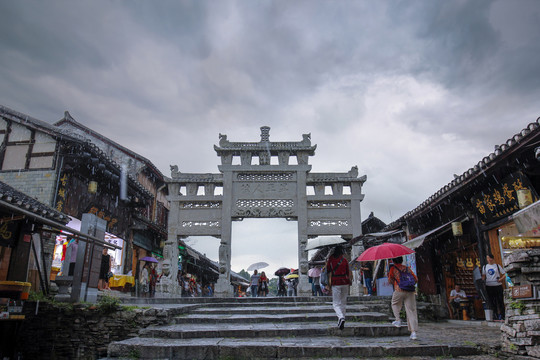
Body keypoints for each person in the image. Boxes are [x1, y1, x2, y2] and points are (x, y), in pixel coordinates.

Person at [388, 256, 418, 340]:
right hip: (410, 291)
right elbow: (415, 279)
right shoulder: (407, 268)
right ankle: (413, 332)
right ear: (401, 260)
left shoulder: (393, 269)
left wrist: (395, 280)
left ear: (393, 261)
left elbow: (390, 280)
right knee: (411, 311)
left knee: (395, 303)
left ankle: (398, 320)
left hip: (399, 289)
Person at [326, 246, 351, 330]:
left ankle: (341, 317)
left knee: (336, 303)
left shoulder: (331, 260)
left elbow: (328, 270)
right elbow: (348, 271)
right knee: (343, 302)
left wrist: (327, 262)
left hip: (336, 282)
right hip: (345, 281)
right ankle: (341, 320)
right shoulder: (344, 260)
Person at [482, 253, 506, 320]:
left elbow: (505, 274)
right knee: (492, 301)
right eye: (487, 258)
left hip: (497, 285)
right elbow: (483, 276)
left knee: (500, 301)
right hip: (489, 285)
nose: (489, 260)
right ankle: (495, 315)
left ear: (492, 259)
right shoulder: (485, 267)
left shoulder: (497, 266)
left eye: (490, 258)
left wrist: (500, 279)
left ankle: (502, 315)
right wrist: (482, 282)